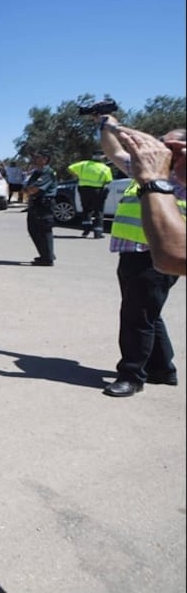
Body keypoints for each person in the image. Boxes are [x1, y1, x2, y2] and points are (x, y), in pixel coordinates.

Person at [97, 117, 185, 397]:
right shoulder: (146, 170)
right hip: (132, 253)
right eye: (162, 142)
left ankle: (132, 375)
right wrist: (108, 127)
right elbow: (113, 152)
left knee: (137, 316)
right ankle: (162, 369)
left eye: (174, 145)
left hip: (158, 257)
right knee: (148, 313)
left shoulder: (181, 179)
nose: (164, 149)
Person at [112, 127, 186, 276]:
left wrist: (154, 181)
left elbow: (174, 260)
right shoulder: (148, 168)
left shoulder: (155, 173)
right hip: (134, 250)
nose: (161, 150)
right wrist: (107, 124)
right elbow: (115, 152)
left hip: (157, 253)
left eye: (169, 147)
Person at [22, 150, 58, 266]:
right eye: (35, 157)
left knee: (44, 231)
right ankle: (46, 254)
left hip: (44, 204)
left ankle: (47, 258)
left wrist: (27, 191)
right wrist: (27, 190)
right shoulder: (36, 172)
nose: (35, 159)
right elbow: (27, 188)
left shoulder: (47, 172)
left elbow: (34, 189)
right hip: (35, 204)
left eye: (38, 157)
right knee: (33, 230)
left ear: (45, 159)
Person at [67, 154, 113, 238]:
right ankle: (97, 233)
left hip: (84, 189)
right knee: (98, 211)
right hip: (97, 191)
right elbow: (109, 180)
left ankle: (85, 231)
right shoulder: (105, 168)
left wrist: (77, 176)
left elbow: (70, 168)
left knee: (86, 210)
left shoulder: (84, 164)